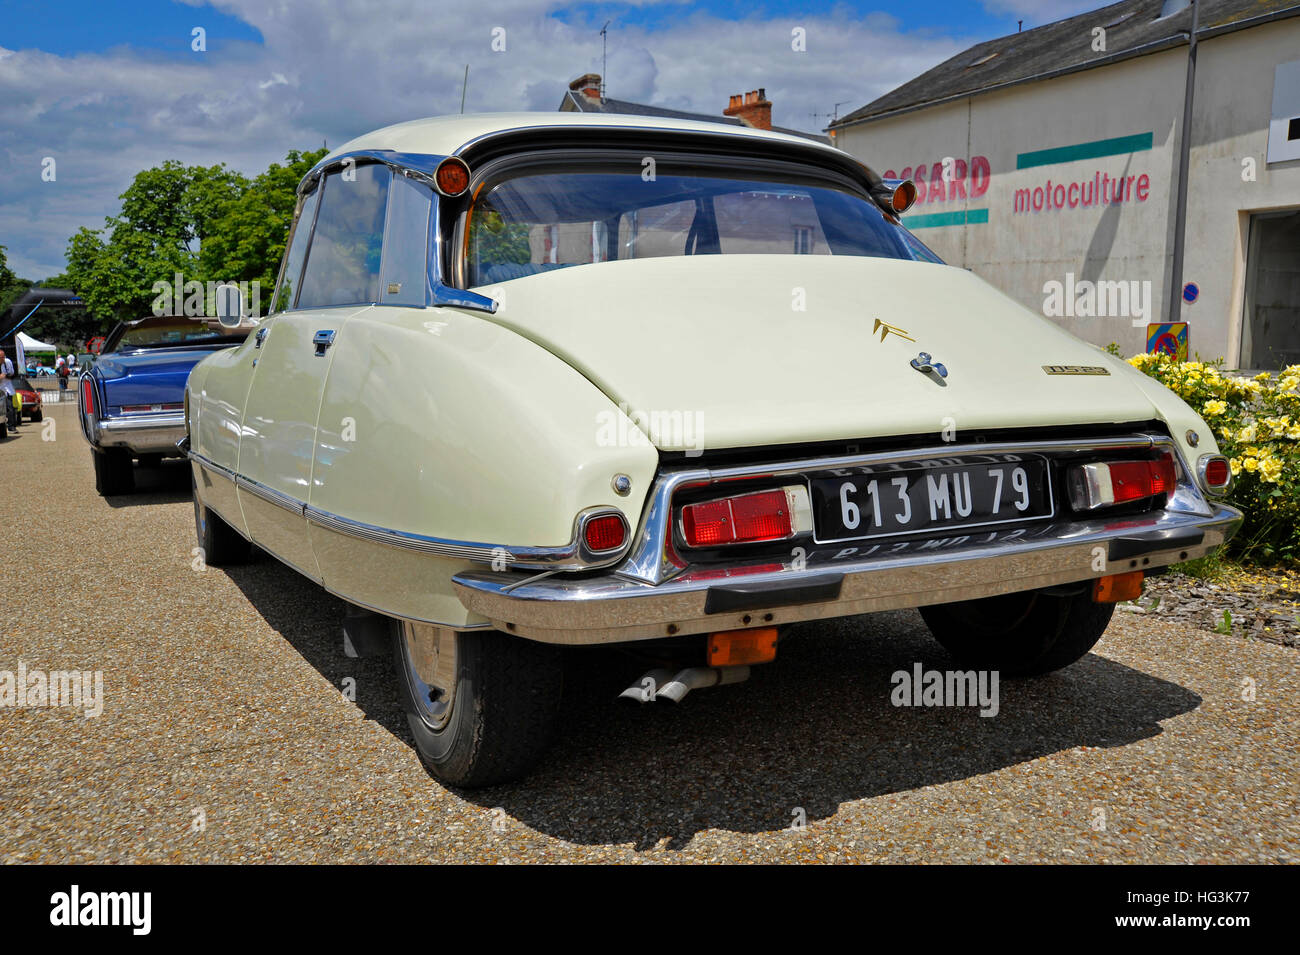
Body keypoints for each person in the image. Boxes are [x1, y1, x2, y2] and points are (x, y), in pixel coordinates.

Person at [0, 348, 18, 431]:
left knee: (10, 407)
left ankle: (11, 426)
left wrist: (6, 376)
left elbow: (13, 375)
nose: (3, 359)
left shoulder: (8, 362)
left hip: (7, 389)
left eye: (3, 357)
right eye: (1, 357)